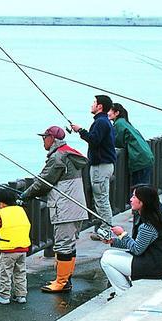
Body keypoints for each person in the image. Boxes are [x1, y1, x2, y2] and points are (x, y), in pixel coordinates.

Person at [19, 125, 90, 293]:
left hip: (65, 208)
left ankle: (63, 282)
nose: (43, 140)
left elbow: (43, 182)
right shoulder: (68, 152)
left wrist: (25, 196)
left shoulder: (57, 158)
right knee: (69, 244)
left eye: (45, 137)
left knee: (63, 245)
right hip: (76, 206)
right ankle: (65, 279)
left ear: (53, 139)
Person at [99, 185, 162, 298]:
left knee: (106, 260)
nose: (131, 200)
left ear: (142, 202)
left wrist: (122, 234)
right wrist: (112, 241)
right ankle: (123, 290)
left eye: (134, 197)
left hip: (154, 267)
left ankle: (123, 293)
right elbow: (136, 243)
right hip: (150, 260)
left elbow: (137, 249)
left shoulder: (148, 225)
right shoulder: (147, 217)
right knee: (108, 253)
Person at [71, 95, 116, 240]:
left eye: (94, 103)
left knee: (101, 199)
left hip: (100, 166)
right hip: (104, 165)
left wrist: (81, 131)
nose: (92, 105)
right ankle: (104, 228)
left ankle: (106, 229)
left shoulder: (101, 122)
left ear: (100, 106)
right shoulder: (104, 122)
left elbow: (94, 140)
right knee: (101, 198)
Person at [0, 188, 30, 305]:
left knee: (4, 273)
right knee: (20, 272)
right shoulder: (21, 211)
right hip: (22, 248)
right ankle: (21, 295)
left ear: (1, 203)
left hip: (8, 250)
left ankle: (4, 296)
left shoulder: (3, 213)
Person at [108, 103, 155, 185]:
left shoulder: (119, 123)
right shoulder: (124, 122)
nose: (107, 113)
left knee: (139, 187)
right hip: (145, 156)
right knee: (143, 186)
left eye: (109, 110)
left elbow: (117, 141)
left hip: (140, 159)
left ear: (116, 113)